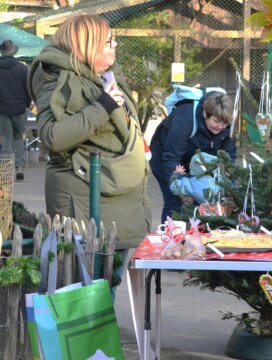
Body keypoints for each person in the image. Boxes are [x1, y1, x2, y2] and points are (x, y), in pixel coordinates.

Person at [28, 14, 151, 291]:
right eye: (108, 41)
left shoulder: (98, 76)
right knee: (84, 285)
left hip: (114, 191)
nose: (115, 45)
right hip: (85, 195)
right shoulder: (55, 77)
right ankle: (89, 334)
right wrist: (102, 106)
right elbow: (52, 137)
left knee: (107, 280)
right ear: (88, 46)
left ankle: (98, 331)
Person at [150, 92, 236, 222]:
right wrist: (179, 190)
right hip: (166, 158)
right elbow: (171, 157)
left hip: (195, 161)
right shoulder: (184, 120)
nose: (220, 127)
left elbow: (229, 157)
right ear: (205, 113)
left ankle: (197, 238)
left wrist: (227, 183)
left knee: (204, 202)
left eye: (224, 123)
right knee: (175, 203)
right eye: (216, 121)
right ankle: (170, 237)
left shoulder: (225, 124)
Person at [0, 39, 32, 180]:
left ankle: (6, 170)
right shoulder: (22, 68)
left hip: (2, 110)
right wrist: (27, 103)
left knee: (6, 138)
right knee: (18, 137)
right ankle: (19, 167)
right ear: (13, 52)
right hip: (19, 109)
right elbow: (27, 89)